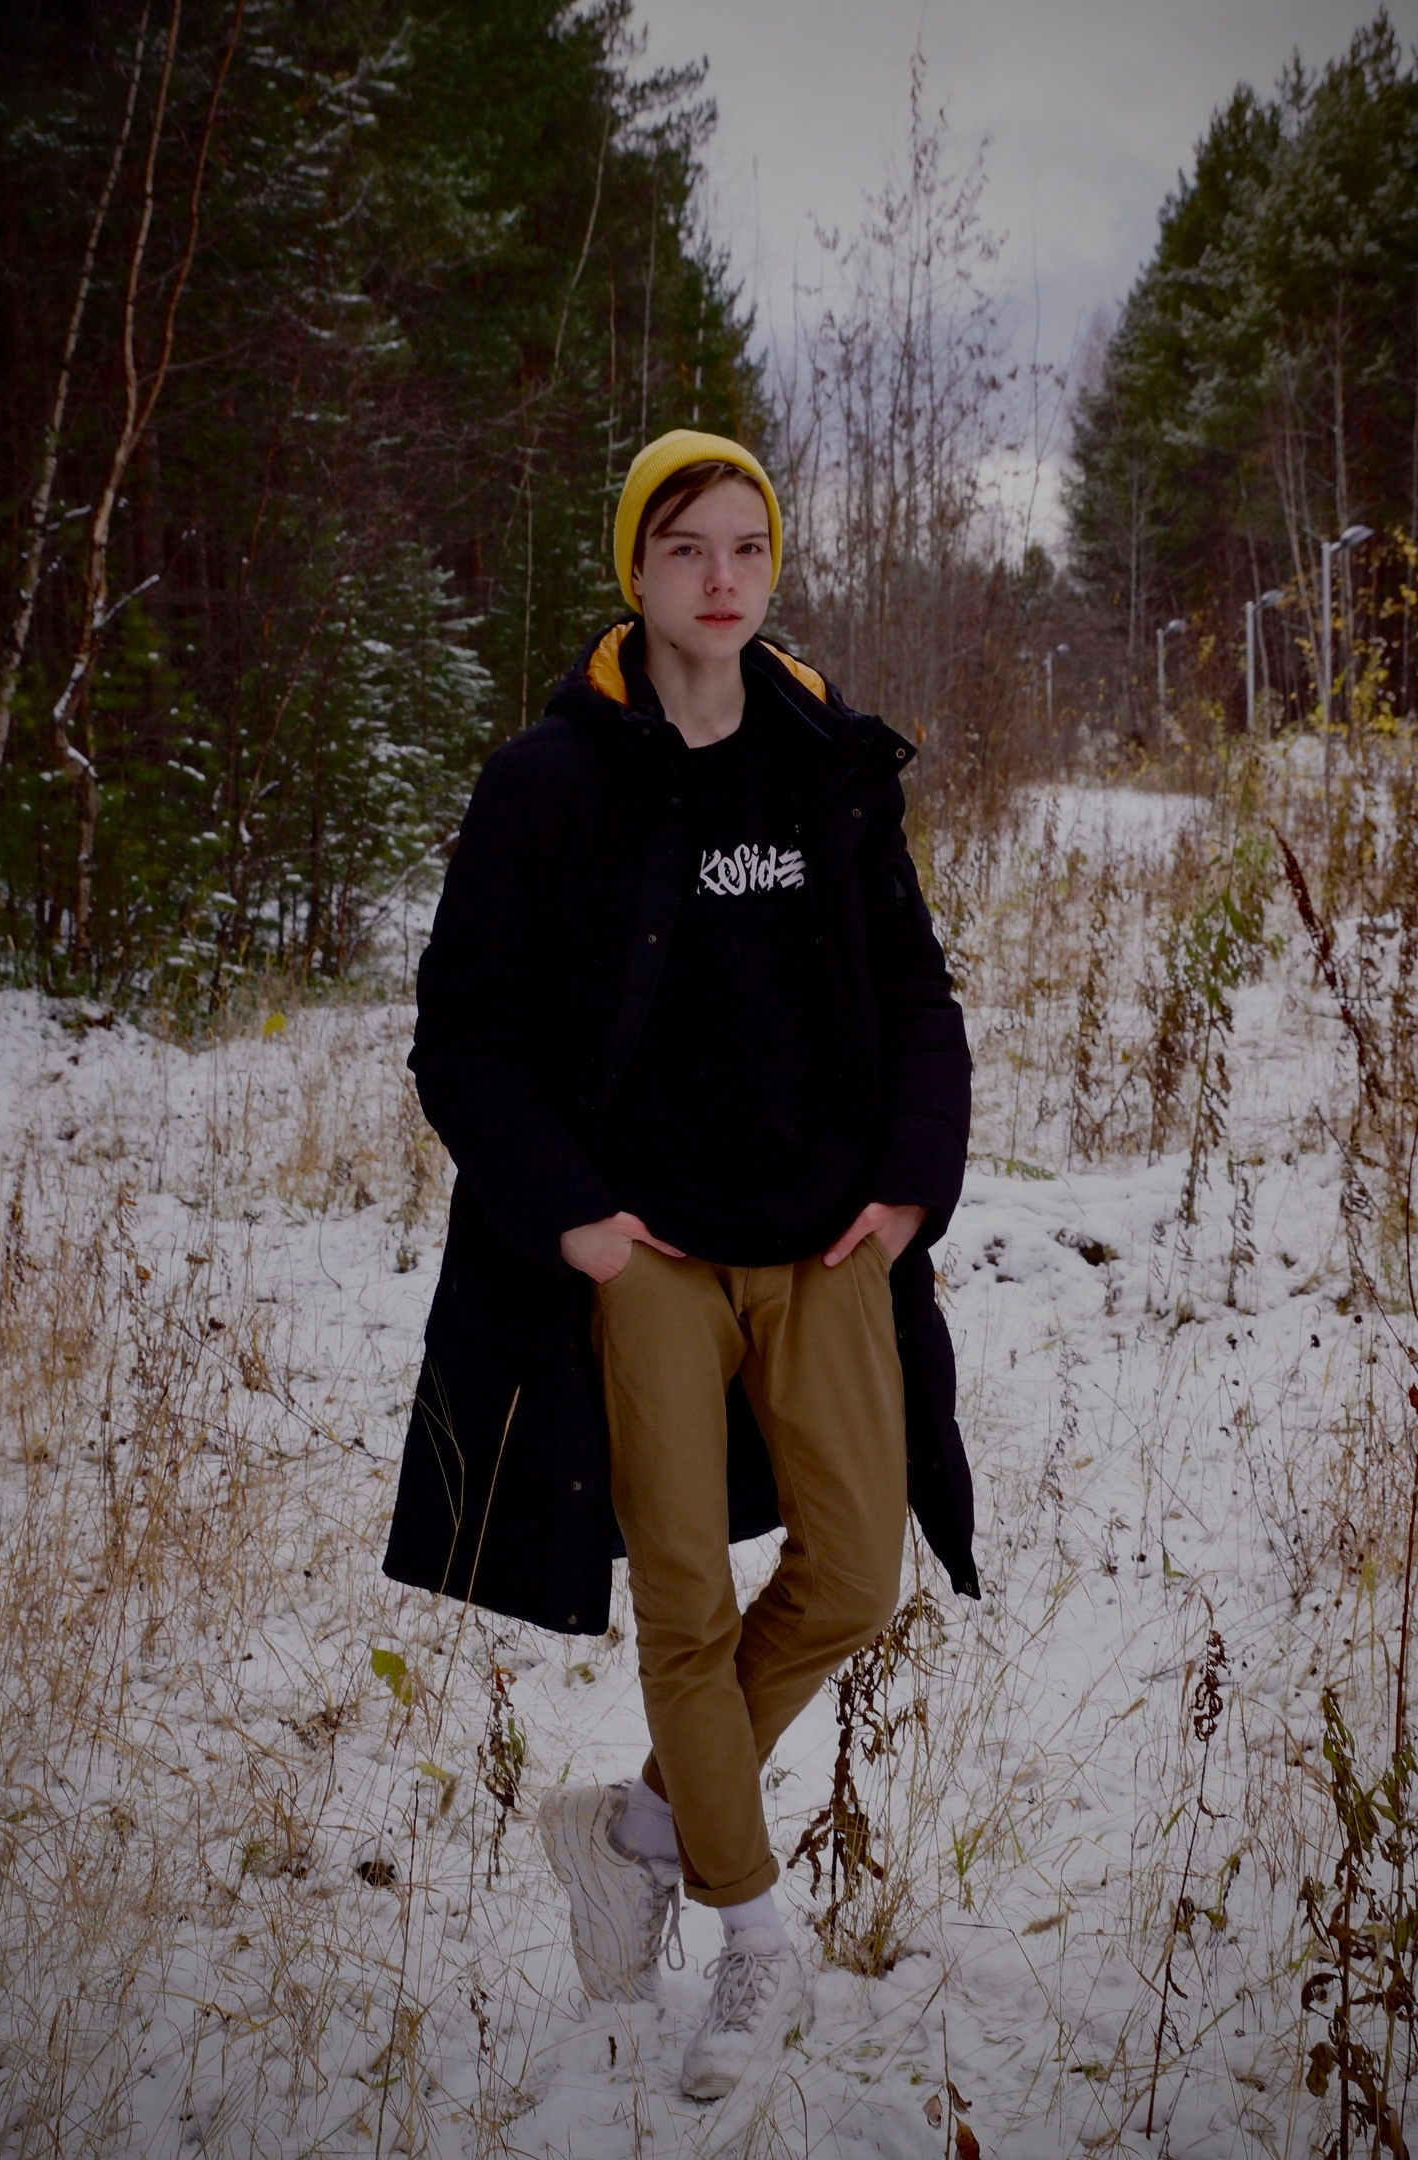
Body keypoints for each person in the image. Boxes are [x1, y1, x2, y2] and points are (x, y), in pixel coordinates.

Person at [383, 428, 976, 2101]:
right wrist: (574, 1217)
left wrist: (910, 1186)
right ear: (635, 572)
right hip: (644, 1247)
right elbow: (464, 1035)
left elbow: (916, 998)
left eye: (747, 547)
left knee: (854, 1573)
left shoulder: (829, 761)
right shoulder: (548, 784)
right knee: (687, 1599)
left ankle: (639, 1826)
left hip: (826, 1232)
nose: (723, 579)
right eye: (688, 549)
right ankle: (753, 1934)